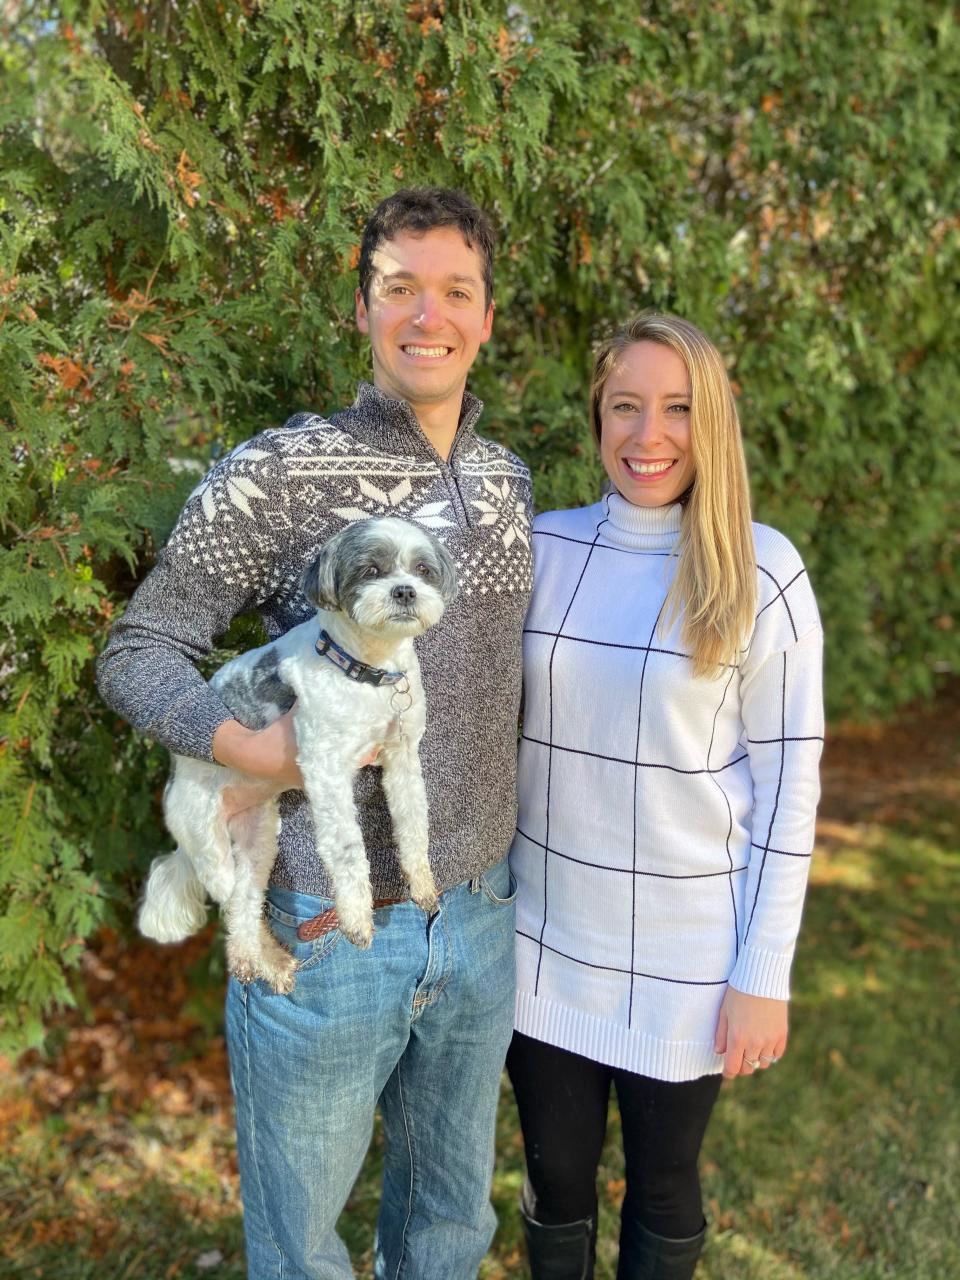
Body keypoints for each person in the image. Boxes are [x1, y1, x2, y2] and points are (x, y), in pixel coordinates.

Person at [97, 188, 533, 1279]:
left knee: (447, 1229)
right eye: (400, 288)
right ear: (362, 309)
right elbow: (138, 647)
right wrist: (250, 750)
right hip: (320, 932)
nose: (426, 314)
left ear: (485, 316)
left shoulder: (507, 481)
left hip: (475, 913)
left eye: (454, 291)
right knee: (300, 1251)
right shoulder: (278, 472)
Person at [507, 313, 824, 1279]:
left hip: (689, 953)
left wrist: (763, 974)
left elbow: (788, 782)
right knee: (555, 1179)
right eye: (626, 407)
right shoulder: (544, 550)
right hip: (544, 943)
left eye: (677, 408)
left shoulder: (762, 570)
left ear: (714, 421)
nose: (650, 436)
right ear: (597, 419)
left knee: (664, 1183)